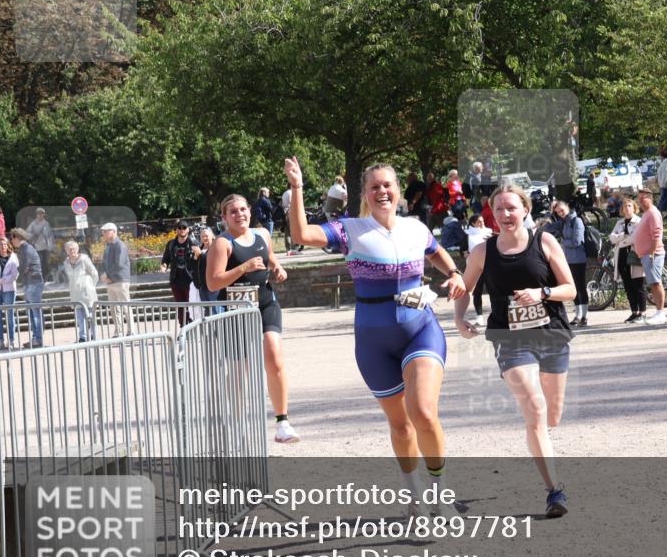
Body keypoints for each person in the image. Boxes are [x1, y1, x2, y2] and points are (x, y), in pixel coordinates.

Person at [285, 157, 467, 511]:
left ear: (398, 190)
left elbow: (437, 253)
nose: (382, 191)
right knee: (400, 426)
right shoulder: (349, 229)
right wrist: (297, 188)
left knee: (424, 413)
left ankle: (440, 491)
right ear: (365, 194)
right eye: (374, 187)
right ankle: (414, 495)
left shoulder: (416, 228)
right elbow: (300, 235)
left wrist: (456, 273)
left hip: (420, 329)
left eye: (388, 185)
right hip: (373, 340)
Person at [453, 185, 575, 518]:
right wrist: (459, 317)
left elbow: (571, 290)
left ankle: (542, 442)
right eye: (499, 209)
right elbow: (465, 286)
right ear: (492, 213)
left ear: (524, 209)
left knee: (553, 415)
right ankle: (555, 491)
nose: (505, 215)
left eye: (511, 208)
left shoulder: (544, 242)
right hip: (510, 339)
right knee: (534, 409)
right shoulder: (483, 251)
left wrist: (542, 292)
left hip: (551, 336)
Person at [208, 193, 298, 444]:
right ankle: (237, 426)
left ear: (250, 210)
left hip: (265, 303)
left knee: (275, 357)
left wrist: (279, 268)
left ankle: (283, 423)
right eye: (233, 212)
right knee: (239, 371)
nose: (239, 215)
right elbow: (212, 281)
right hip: (235, 311)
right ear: (225, 217)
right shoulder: (222, 244)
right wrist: (242, 268)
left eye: (243, 209)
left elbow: (270, 258)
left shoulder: (262, 235)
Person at [547, 201, 588, 326]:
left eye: (562, 210)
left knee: (580, 287)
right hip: (568, 259)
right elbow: (549, 227)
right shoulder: (564, 222)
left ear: (567, 208)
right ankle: (577, 315)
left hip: (579, 259)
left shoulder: (577, 221)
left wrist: (562, 243)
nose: (560, 213)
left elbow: (577, 241)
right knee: (573, 287)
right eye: (558, 212)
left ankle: (584, 316)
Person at [609, 197, 647, 323]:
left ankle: (642, 312)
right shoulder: (619, 222)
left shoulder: (639, 221)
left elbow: (635, 237)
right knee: (628, 286)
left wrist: (622, 241)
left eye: (630, 206)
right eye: (625, 206)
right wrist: (623, 236)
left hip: (635, 255)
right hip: (621, 256)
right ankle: (634, 312)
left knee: (638, 284)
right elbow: (612, 238)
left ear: (634, 207)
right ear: (622, 209)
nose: (627, 208)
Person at [633, 189, 667, 324]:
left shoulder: (653, 213)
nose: (640, 201)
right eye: (639, 199)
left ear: (650, 198)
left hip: (653, 254)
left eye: (643, 198)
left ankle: (661, 313)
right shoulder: (647, 213)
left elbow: (656, 234)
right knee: (653, 283)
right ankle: (659, 312)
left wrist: (652, 252)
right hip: (646, 254)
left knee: (656, 282)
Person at [8, 227, 44, 348]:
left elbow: (24, 268)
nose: (11, 241)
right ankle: (36, 338)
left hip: (33, 283)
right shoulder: (24, 249)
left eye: (12, 238)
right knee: (32, 313)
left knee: (35, 313)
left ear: (17, 237)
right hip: (30, 283)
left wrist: (12, 271)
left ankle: (38, 338)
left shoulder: (26, 249)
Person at [61, 240, 99, 342]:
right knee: (80, 316)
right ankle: (83, 336)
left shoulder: (84, 259)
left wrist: (91, 285)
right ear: (66, 251)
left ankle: (94, 335)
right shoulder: (66, 263)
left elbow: (94, 273)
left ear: (77, 249)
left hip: (87, 292)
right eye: (69, 249)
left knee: (90, 315)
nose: (72, 251)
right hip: (75, 293)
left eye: (74, 248)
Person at [99, 222, 133, 336]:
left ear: (113, 231)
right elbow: (104, 262)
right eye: (103, 231)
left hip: (120, 280)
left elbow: (119, 263)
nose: (103, 233)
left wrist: (107, 276)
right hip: (111, 281)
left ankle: (131, 330)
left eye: (105, 231)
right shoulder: (108, 246)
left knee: (125, 307)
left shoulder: (120, 245)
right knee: (114, 308)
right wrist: (104, 274)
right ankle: (118, 331)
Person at [161, 221, 197, 326]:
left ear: (188, 229)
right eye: (179, 228)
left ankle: (192, 327)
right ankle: (183, 329)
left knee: (191, 305)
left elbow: (199, 260)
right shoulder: (171, 244)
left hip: (190, 280)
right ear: (176, 230)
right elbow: (165, 259)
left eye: (184, 227)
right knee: (181, 307)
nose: (182, 230)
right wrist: (164, 266)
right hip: (175, 280)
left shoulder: (193, 243)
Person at [464, 214, 492, 327]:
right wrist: (466, 253)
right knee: (477, 292)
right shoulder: (467, 235)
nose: (482, 223)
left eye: (483, 221)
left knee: (494, 290)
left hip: (490, 265)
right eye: (479, 222)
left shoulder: (489, 232)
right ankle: (479, 316)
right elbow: (463, 250)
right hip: (475, 266)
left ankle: (496, 313)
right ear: (473, 223)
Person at [191, 227, 223, 316]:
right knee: (207, 311)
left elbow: (212, 262)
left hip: (213, 286)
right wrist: (195, 257)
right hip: (202, 286)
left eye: (206, 236)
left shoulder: (216, 247)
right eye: (202, 237)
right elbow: (193, 266)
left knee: (215, 311)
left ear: (212, 236)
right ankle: (210, 329)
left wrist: (201, 255)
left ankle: (218, 329)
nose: (204, 238)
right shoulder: (200, 249)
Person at [26, 207, 55, 282]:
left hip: (46, 247)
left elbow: (50, 235)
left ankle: (47, 278)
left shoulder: (46, 223)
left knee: (46, 263)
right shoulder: (33, 223)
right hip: (37, 247)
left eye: (42, 213)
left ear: (44, 214)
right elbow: (27, 233)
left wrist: (51, 246)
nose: (40, 215)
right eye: (39, 213)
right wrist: (33, 235)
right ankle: (41, 278)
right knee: (40, 263)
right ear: (36, 215)